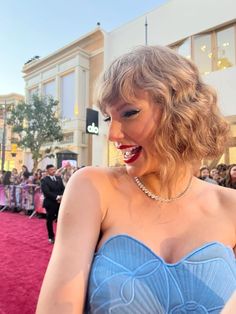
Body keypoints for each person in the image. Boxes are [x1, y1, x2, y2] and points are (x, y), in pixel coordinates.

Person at [36, 46, 236, 313]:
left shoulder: (230, 206)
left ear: (181, 113)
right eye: (108, 118)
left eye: (129, 113)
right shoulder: (93, 187)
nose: (112, 134)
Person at [40, 164, 64, 243]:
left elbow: (62, 189)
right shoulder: (44, 180)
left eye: (54, 169)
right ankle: (51, 236)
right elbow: (46, 192)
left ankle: (61, 237)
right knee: (49, 220)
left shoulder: (59, 178)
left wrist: (62, 196)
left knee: (61, 220)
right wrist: (57, 197)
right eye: (51, 170)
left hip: (60, 202)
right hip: (50, 203)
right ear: (47, 171)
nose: (53, 171)